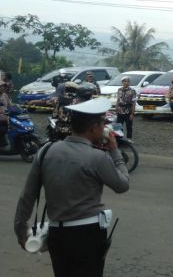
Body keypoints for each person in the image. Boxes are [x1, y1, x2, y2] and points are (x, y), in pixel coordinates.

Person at [14, 98, 129, 277]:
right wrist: (115, 152)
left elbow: (27, 196)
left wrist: (21, 231)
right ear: (94, 128)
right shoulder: (98, 157)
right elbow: (122, 185)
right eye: (102, 124)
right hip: (88, 234)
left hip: (56, 235)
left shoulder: (45, 151)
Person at [0, 80, 11, 146]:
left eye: (4, 86)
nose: (3, 88)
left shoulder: (5, 95)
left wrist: (19, 109)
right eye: (2, 86)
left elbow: (10, 105)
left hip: (5, 118)